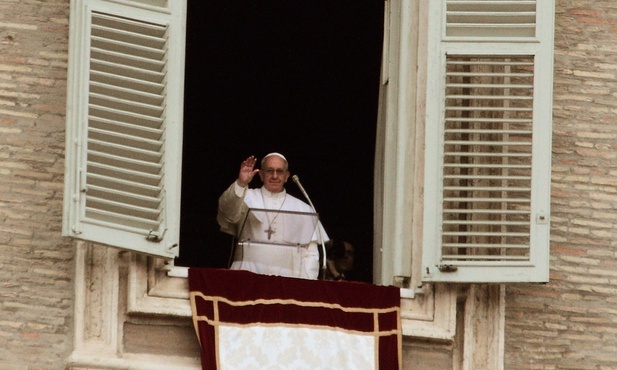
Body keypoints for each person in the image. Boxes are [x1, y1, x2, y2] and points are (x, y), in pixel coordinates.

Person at [217, 153, 328, 279]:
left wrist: (306, 283)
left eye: (279, 171)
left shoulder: (303, 209)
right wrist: (241, 183)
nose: (275, 176)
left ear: (286, 176)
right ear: (261, 175)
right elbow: (227, 213)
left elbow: (311, 254)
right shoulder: (245, 197)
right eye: (270, 171)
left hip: (288, 280)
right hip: (247, 276)